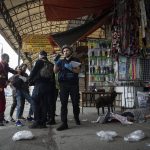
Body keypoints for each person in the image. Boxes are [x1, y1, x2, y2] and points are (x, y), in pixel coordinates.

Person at [54, 45, 81, 131]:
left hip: (74, 84)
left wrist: (71, 68)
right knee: (64, 104)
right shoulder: (60, 61)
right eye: (64, 51)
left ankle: (76, 117)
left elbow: (78, 71)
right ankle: (64, 123)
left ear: (70, 51)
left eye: (67, 51)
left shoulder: (76, 60)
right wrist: (55, 62)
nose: (65, 52)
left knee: (75, 103)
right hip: (63, 85)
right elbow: (55, 71)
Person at [28, 50, 56, 129]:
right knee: (44, 104)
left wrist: (29, 81)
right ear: (46, 55)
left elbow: (33, 72)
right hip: (48, 87)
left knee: (34, 102)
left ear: (40, 55)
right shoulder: (51, 64)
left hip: (39, 85)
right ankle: (43, 123)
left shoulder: (39, 62)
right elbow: (53, 77)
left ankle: (37, 122)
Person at [0, 53, 16, 126]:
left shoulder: (6, 66)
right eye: (7, 59)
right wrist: (5, 81)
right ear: (3, 59)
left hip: (2, 87)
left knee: (3, 103)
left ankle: (2, 118)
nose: (9, 60)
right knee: (0, 103)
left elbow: (11, 70)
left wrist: (18, 72)